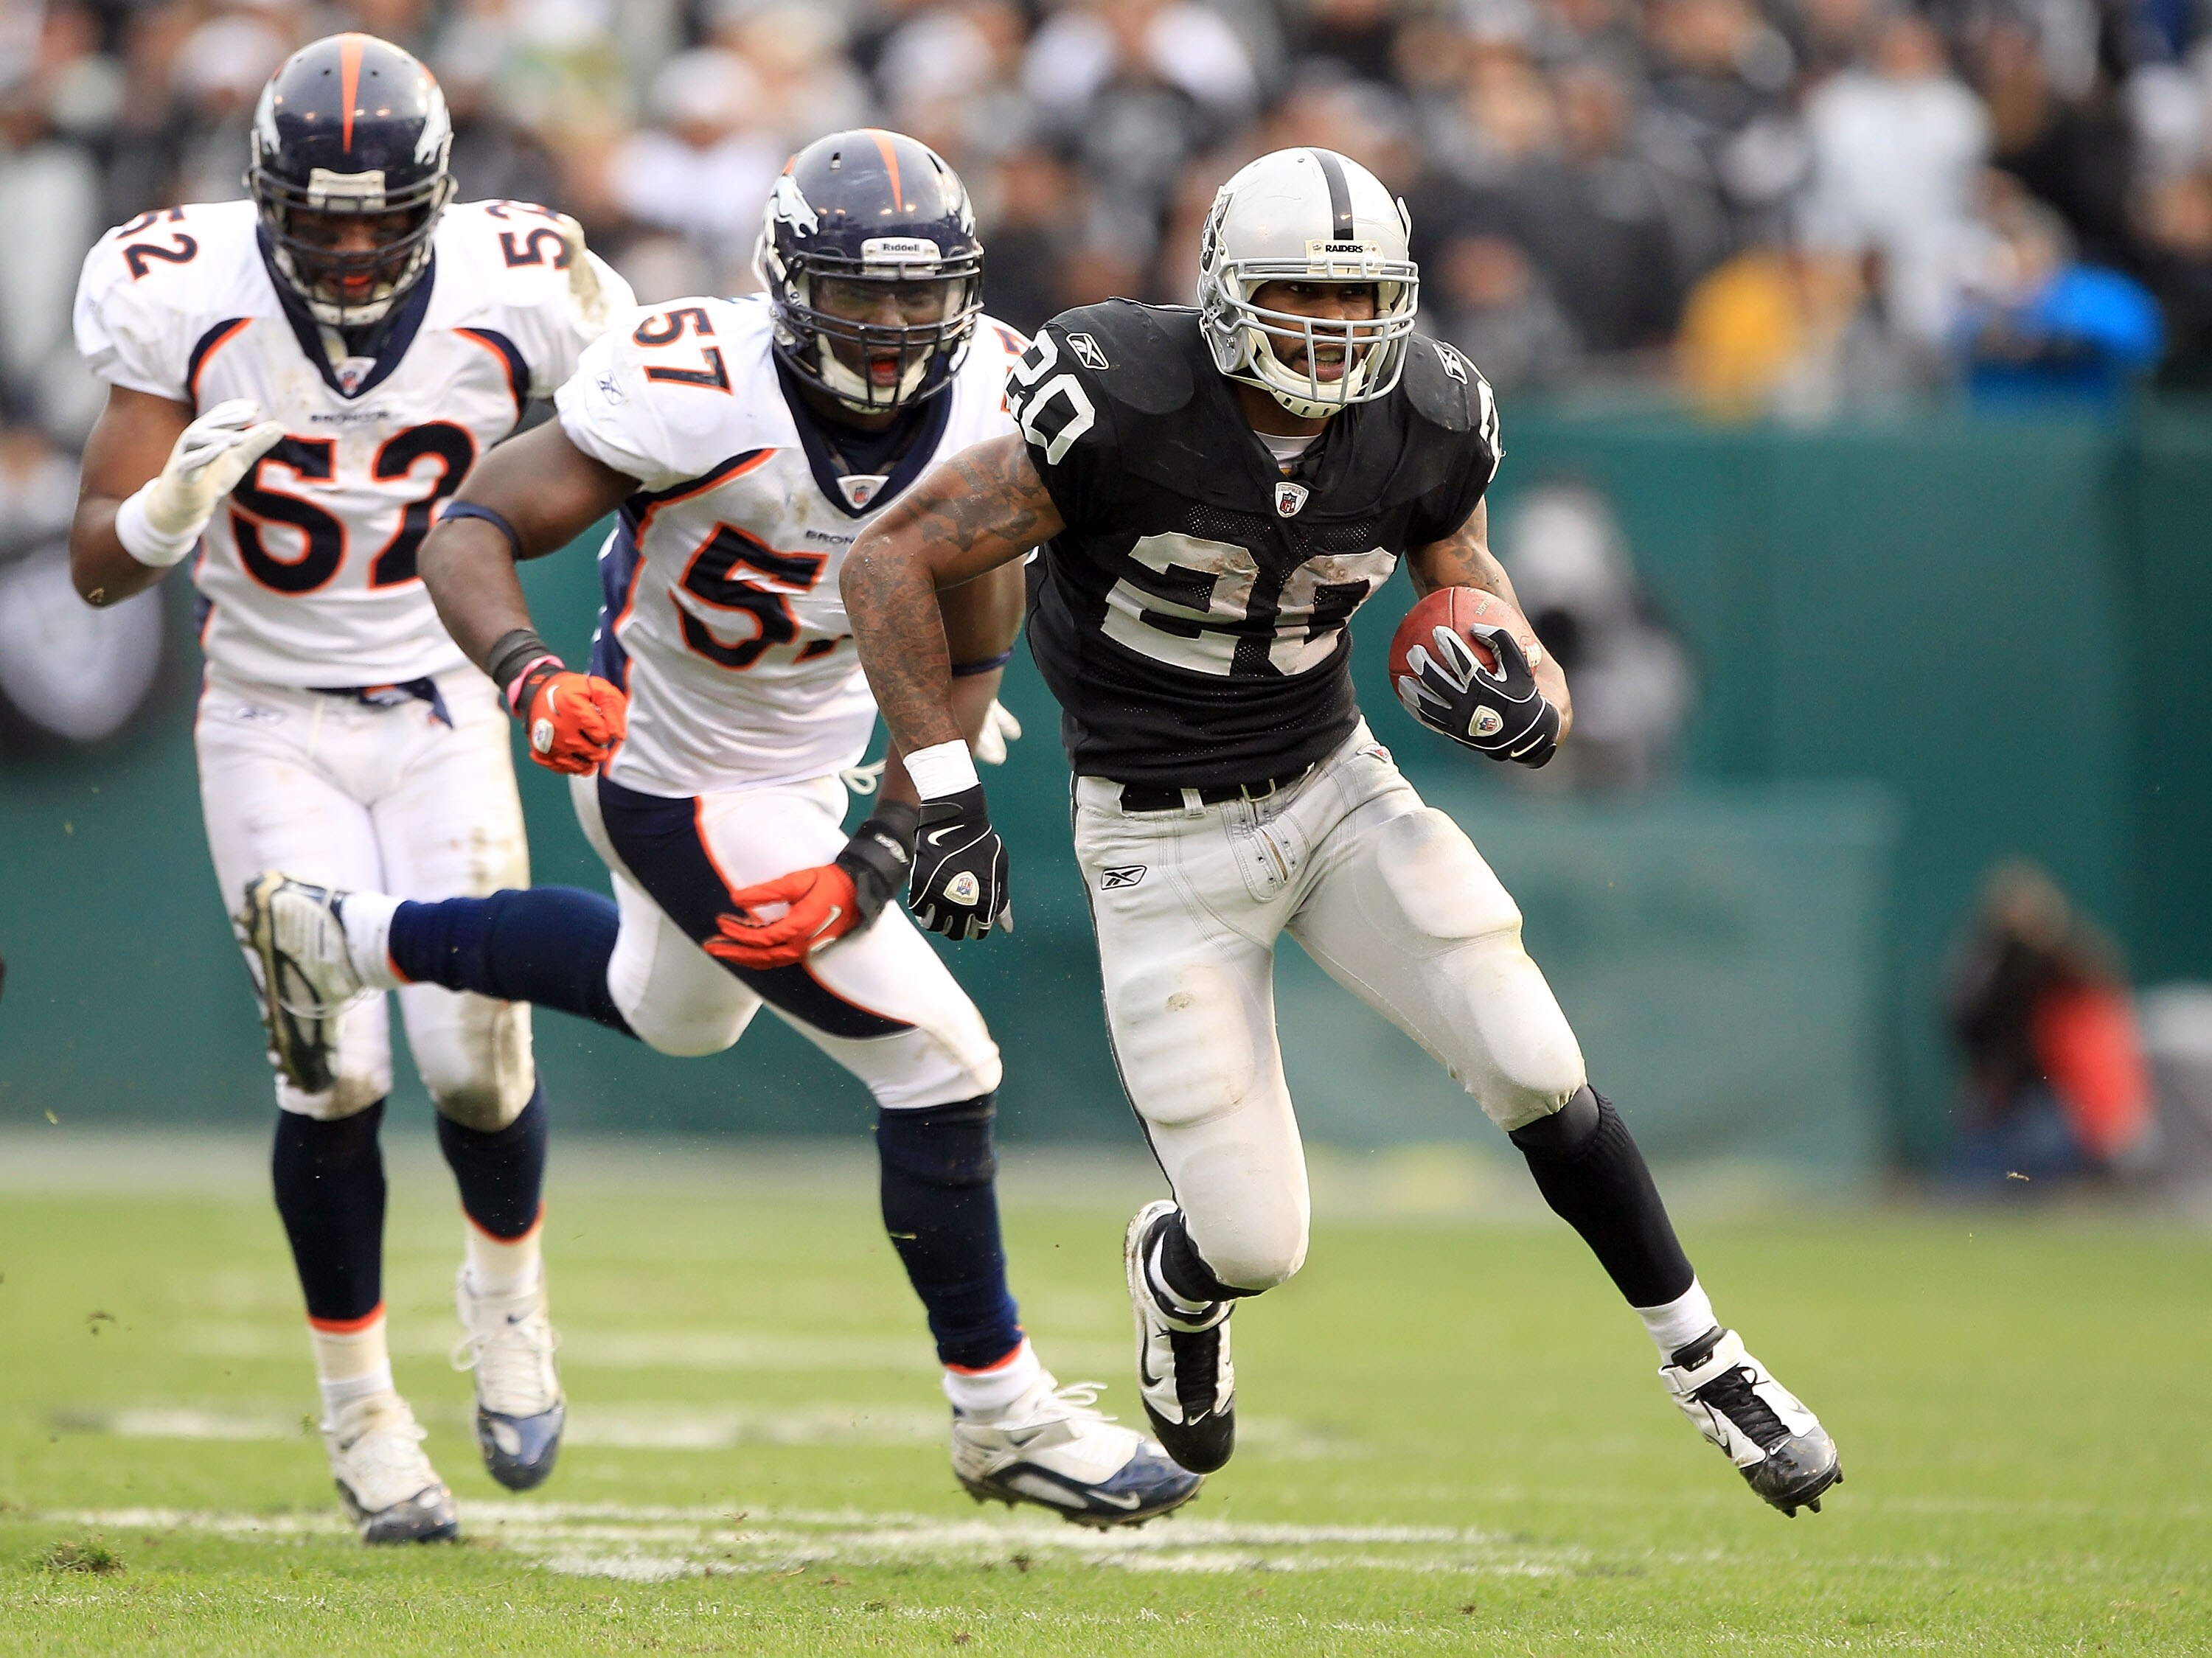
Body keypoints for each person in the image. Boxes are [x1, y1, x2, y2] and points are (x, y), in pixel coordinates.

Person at [838, 146, 1843, 1516]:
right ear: (1226, 291)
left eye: (1364, 296)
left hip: (1333, 787)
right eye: (1303, 291)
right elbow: (890, 554)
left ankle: (1706, 1356)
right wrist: (945, 791)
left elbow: (1473, 583)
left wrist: (1532, 704)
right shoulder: (1119, 396)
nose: (1337, 325)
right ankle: (1179, 1277)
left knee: (1534, 1055)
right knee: (1257, 1239)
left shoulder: (1430, 415)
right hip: (1155, 840)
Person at [232, 129, 1199, 1530]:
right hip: (667, 763)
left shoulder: (1002, 386)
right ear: (786, 286)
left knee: (671, 1007)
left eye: (916, 298)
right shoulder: (696, 383)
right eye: (855, 297)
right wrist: (527, 670)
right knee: (939, 1061)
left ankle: (345, 938)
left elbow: (973, 650)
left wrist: (871, 853)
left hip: (818, 763)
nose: (887, 329)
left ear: (965, 293)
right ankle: (1003, 1414)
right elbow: (466, 528)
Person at [66, 35, 635, 1542]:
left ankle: (508, 1307)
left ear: (438, 203)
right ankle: (362, 1415)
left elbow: (659, 460)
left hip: (447, 700)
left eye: (383, 218)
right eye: (319, 219)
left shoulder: (527, 284)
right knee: (334, 1074)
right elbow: (94, 569)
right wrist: (170, 501)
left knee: (477, 1065)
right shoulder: (181, 290)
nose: (352, 246)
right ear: (262, 202)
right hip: (268, 717)